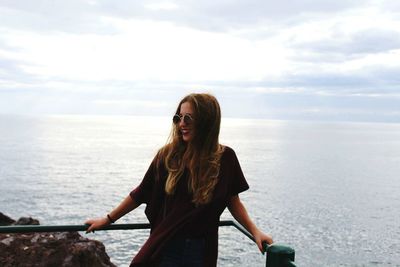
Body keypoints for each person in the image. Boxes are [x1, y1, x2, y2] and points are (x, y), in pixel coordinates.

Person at [85, 93, 273, 267]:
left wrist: (255, 232)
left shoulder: (226, 158)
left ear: (207, 120)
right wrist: (107, 220)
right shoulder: (167, 156)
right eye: (178, 118)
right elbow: (140, 193)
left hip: (201, 250)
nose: (181, 123)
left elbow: (233, 201)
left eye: (188, 118)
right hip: (166, 246)